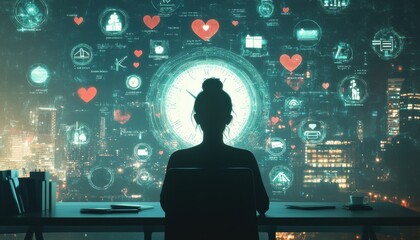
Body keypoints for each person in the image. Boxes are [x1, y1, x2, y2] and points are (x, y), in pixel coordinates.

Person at [160, 77, 269, 240]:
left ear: (197, 119)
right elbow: (262, 206)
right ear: (228, 119)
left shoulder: (179, 160)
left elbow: (167, 205)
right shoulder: (245, 159)